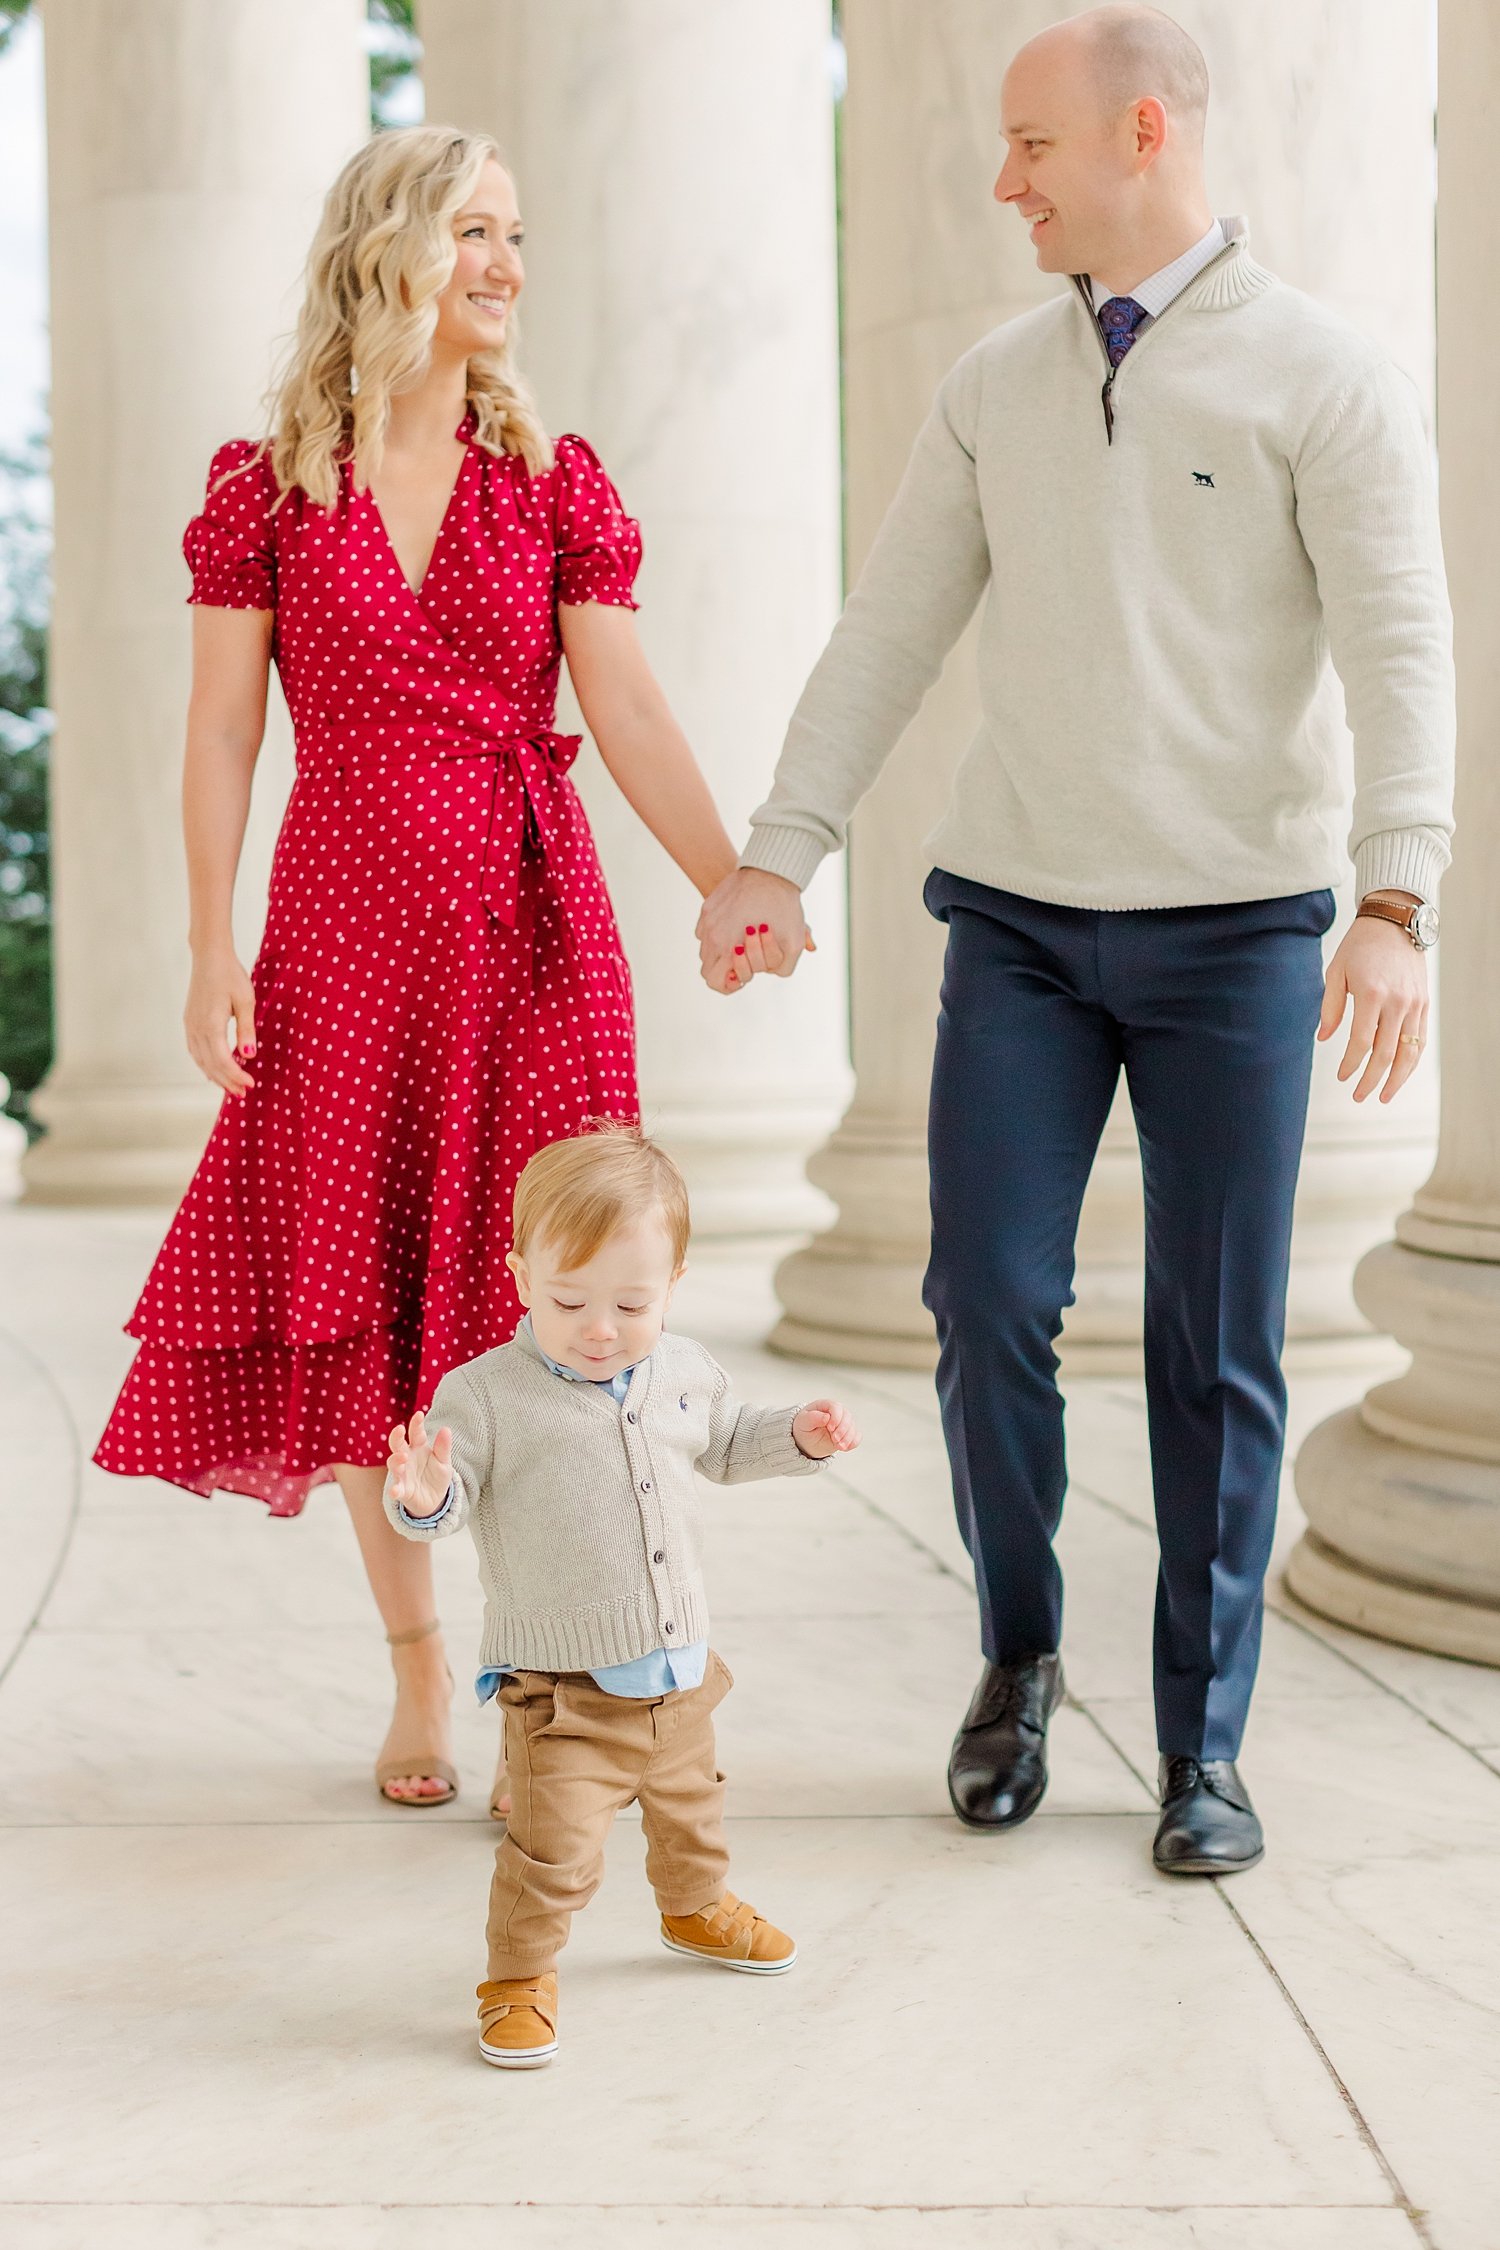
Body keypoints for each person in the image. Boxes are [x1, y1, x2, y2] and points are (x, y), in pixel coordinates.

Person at [696, 5, 1454, 1875]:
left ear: (1138, 136)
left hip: (1241, 939)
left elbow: (1403, 646)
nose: (1001, 182)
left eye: (1030, 146)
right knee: (983, 1306)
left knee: (1218, 1348)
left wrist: (1394, 900)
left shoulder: (1323, 375)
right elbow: (888, 632)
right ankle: (1018, 1655)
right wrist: (776, 853)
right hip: (1023, 926)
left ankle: (1205, 1747)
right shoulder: (990, 385)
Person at [93, 127, 746, 1816]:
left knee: (563, 1300)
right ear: (390, 251)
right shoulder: (266, 488)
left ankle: (565, 1667)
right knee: (372, 1317)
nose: (508, 265)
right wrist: (205, 941)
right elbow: (225, 729)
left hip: (534, 930)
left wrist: (729, 874)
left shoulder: (553, 477)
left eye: (517, 233)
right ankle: (415, 1677)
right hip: (345, 937)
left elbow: (632, 710)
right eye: (476, 231)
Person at [384, 1126, 860, 2067]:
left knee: (695, 1811)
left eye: (632, 1302)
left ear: (674, 1284)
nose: (600, 1326)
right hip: (565, 1694)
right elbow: (447, 1502)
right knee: (551, 1850)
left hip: (680, 1673)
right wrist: (424, 1495)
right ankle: (517, 1974)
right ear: (520, 1275)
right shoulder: (482, 1397)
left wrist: (798, 1436)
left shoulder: (686, 1371)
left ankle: (695, 1909)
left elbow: (725, 1441)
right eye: (570, 1300)